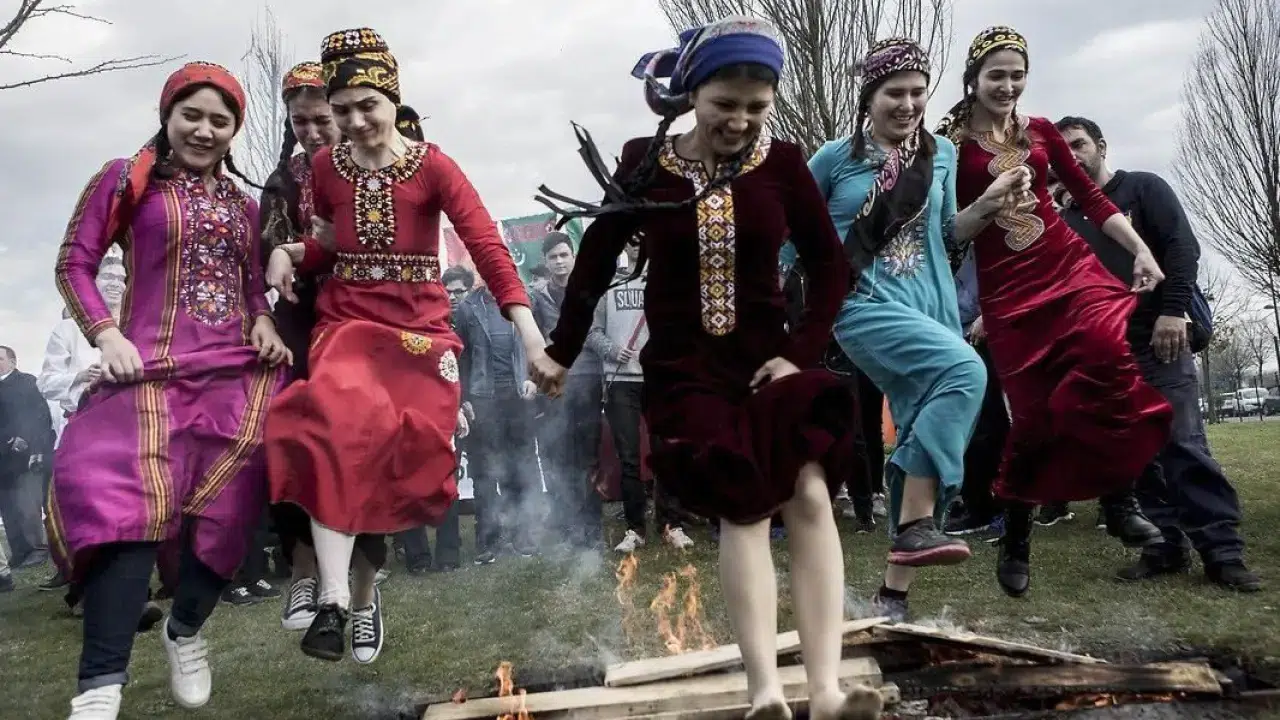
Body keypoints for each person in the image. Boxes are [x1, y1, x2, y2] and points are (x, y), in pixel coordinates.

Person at [530, 16, 881, 720]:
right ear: (693, 93)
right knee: (746, 508)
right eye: (726, 104)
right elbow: (594, 262)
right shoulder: (645, 162)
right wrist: (561, 352)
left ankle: (829, 693)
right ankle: (765, 695)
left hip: (767, 366)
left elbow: (830, 267)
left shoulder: (782, 164)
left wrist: (799, 352)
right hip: (686, 373)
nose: (741, 120)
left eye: (757, 107)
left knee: (810, 495)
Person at [264, 28, 544, 665]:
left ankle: (363, 597)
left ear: (392, 96)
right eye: (343, 111)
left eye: (368, 105)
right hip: (349, 326)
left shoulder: (435, 166)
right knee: (334, 422)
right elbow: (336, 246)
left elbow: (487, 248)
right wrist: (289, 250)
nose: (356, 121)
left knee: (402, 455)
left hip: (420, 331)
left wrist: (528, 332)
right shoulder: (324, 168)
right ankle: (334, 603)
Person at [48, 61, 290, 719]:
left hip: (234, 380)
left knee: (225, 526)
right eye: (193, 115)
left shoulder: (246, 206)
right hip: (147, 372)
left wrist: (265, 319)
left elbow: (248, 288)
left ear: (234, 129)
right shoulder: (127, 181)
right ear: (168, 115)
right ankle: (100, 688)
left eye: (221, 120)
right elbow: (75, 261)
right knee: (120, 507)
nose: (205, 130)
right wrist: (104, 335)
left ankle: (185, 631)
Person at [934, 27, 1172, 599]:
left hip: (1067, 265)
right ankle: (1017, 531)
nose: (1009, 86)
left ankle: (1119, 501)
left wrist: (1140, 249)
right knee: (1034, 418)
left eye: (1018, 75)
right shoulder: (946, 144)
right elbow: (946, 230)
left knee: (1107, 352)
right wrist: (984, 206)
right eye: (997, 75)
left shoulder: (1040, 131)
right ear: (973, 78)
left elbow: (1089, 198)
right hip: (1009, 292)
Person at [796, 37, 1005, 622]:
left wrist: (986, 204)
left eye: (918, 92)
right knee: (966, 372)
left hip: (931, 307)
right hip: (862, 305)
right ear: (869, 97)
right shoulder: (833, 159)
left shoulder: (939, 156)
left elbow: (945, 235)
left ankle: (892, 597)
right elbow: (793, 239)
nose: (909, 103)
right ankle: (915, 524)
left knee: (918, 431)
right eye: (895, 93)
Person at [1055, 115, 1260, 592]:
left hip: (1160, 343)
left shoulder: (1143, 189)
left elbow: (1182, 249)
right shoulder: (1067, 221)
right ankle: (1163, 546)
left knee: (1183, 444)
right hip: (1106, 355)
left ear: (1101, 145)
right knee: (1136, 456)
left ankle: (1222, 551)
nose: (1073, 156)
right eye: (1063, 151)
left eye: (1079, 144)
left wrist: (1172, 313)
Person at [590, 241, 695, 553]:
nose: (638, 244)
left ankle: (671, 524)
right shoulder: (608, 284)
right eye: (632, 238)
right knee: (629, 458)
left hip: (659, 379)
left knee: (667, 453)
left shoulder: (669, 282)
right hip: (620, 380)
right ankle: (635, 529)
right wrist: (612, 349)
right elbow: (591, 332)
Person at [530, 231, 606, 551]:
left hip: (588, 380)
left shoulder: (590, 290)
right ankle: (569, 527)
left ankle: (593, 527)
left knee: (589, 457)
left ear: (573, 257)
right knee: (560, 457)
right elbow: (531, 343)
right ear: (546, 263)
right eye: (553, 257)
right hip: (555, 387)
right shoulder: (537, 298)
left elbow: (599, 333)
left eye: (564, 255)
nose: (559, 262)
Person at [0, 345, 54, 571]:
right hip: (3, 455)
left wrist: (28, 441)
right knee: (7, 508)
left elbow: (40, 415)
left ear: (13, 361)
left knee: (26, 504)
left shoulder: (27, 382)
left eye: (0, 358)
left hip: (24, 457)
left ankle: (36, 549)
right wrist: (7, 439)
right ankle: (19, 552)